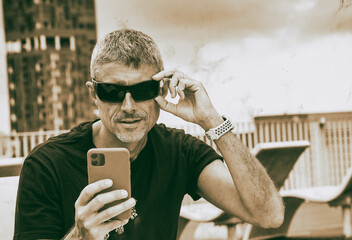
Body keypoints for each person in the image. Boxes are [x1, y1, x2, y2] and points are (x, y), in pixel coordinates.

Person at [14, 28, 284, 240]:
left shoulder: (180, 150)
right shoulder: (46, 164)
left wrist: (212, 120)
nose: (128, 106)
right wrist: (80, 237)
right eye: (112, 91)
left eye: (143, 91)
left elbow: (269, 216)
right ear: (93, 95)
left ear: (162, 92)